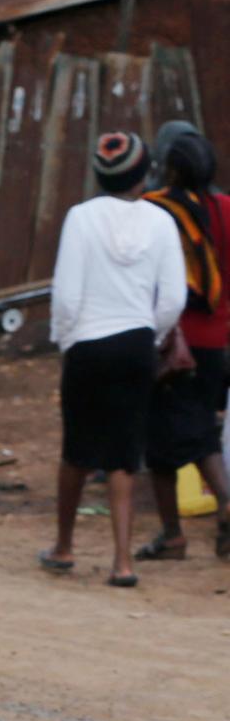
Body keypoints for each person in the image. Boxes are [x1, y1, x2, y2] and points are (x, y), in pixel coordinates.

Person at [46, 132, 186, 588]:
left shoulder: (81, 218)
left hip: (87, 344)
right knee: (125, 455)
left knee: (77, 450)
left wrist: (65, 341)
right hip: (135, 343)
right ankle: (123, 562)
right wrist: (153, 333)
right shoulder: (162, 222)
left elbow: (66, 295)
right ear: (144, 174)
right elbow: (173, 298)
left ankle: (64, 547)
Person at [142, 122, 230, 561]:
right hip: (219, 342)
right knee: (202, 431)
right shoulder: (226, 209)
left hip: (171, 341)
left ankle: (173, 534)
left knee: (158, 441)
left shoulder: (154, 212)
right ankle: (222, 512)